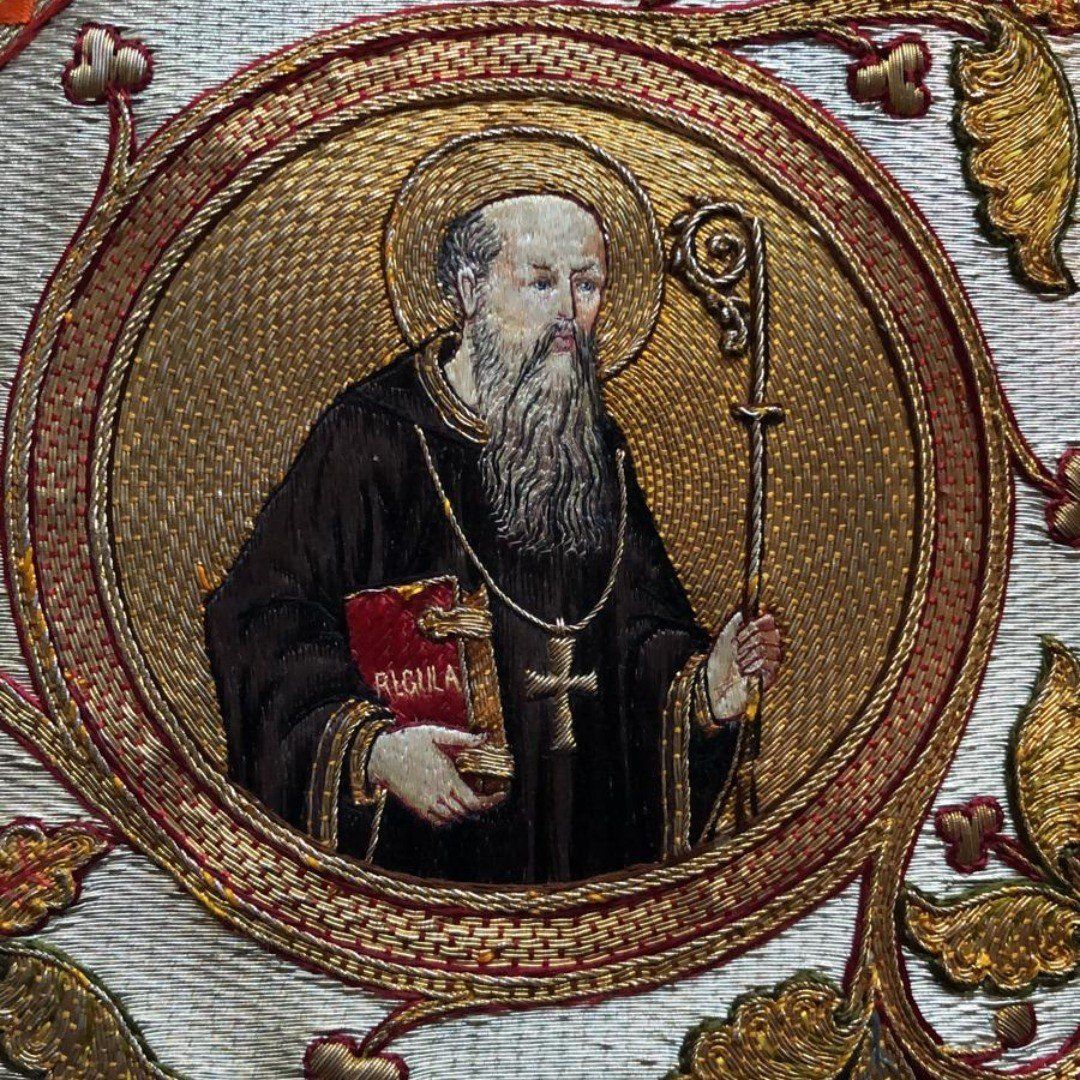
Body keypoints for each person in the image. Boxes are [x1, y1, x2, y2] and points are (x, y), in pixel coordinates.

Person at [205, 163, 781, 884]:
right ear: (469, 290)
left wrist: (703, 689)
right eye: (540, 282)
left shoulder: (593, 446)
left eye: (587, 285)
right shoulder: (371, 437)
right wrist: (376, 751)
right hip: (428, 865)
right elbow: (261, 622)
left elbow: (638, 637)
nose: (568, 312)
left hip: (582, 848)